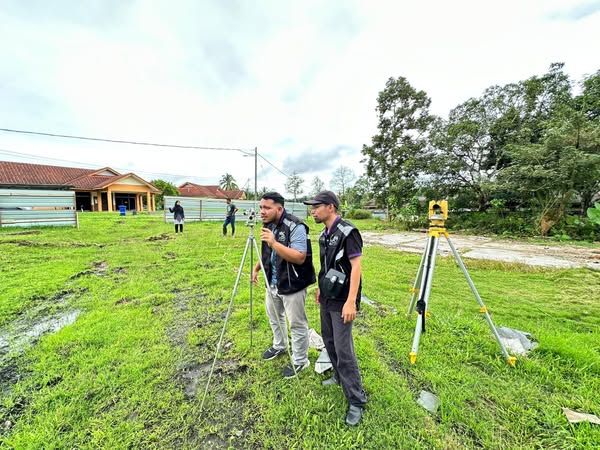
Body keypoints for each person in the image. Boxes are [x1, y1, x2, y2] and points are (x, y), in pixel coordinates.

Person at [304, 190, 367, 426]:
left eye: (316, 206)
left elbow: (356, 268)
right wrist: (321, 288)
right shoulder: (324, 235)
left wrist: (351, 301)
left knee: (343, 350)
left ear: (330, 207)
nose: (313, 210)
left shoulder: (348, 232)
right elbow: (325, 266)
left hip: (343, 300)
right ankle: (339, 379)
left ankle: (357, 400)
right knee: (329, 341)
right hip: (328, 297)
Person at [252, 192, 316, 378]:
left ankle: (300, 361)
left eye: (266, 208)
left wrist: (274, 242)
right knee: (274, 316)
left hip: (292, 282)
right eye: (260, 207)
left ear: (279, 208)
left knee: (296, 323)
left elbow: (299, 256)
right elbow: (268, 252)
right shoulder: (268, 224)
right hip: (272, 281)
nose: (262, 211)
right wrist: (257, 268)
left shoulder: (296, 226)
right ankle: (280, 345)